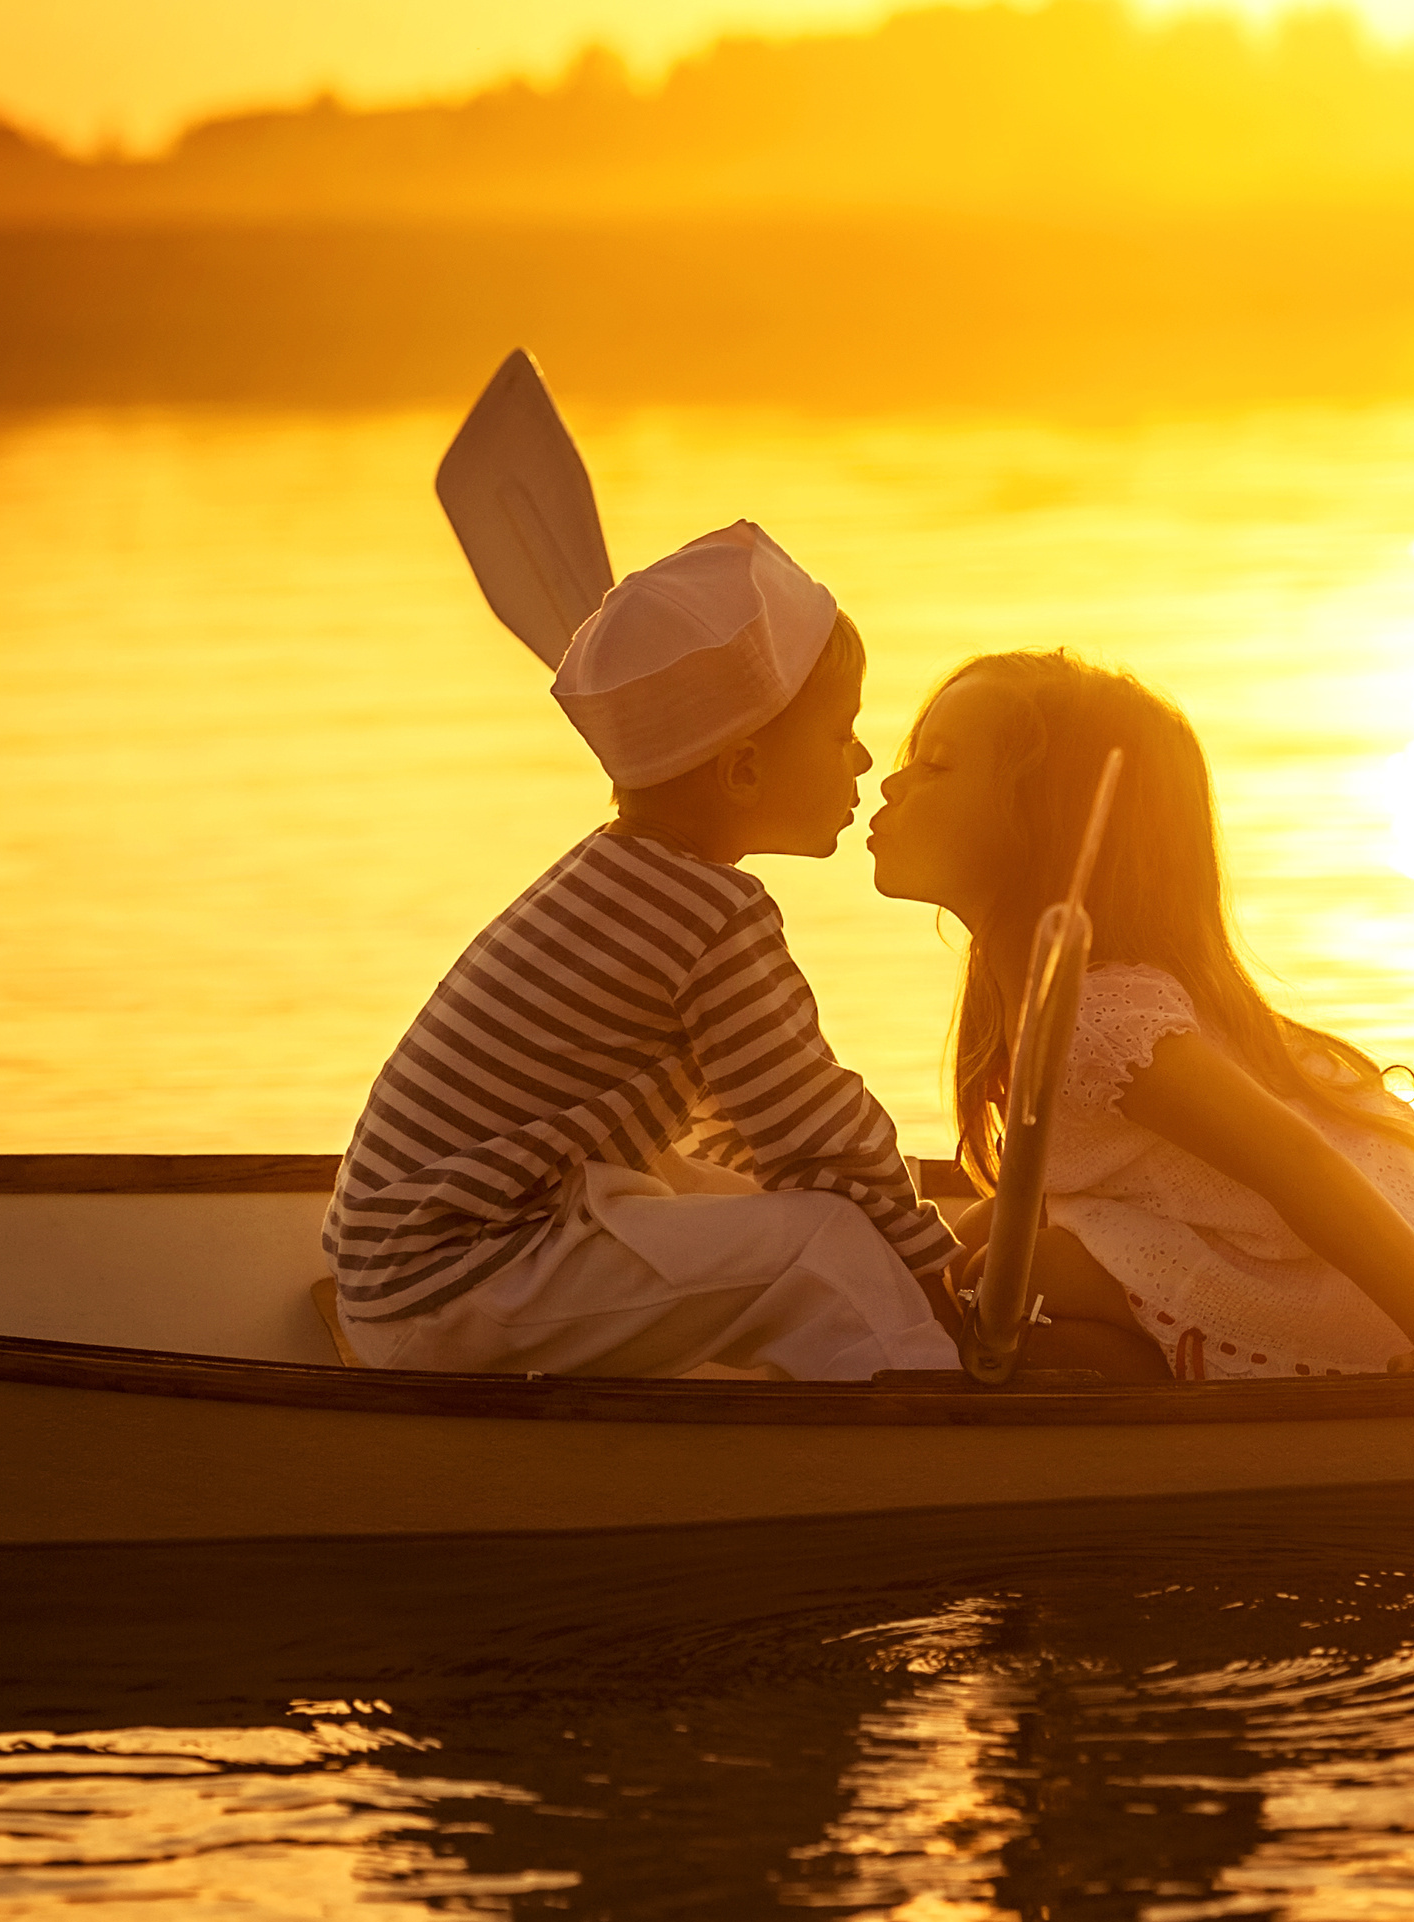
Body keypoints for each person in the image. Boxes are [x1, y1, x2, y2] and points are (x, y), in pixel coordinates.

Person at [866, 648, 1414, 1413]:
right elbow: (1055, 1185)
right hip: (1276, 1253)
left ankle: (1131, 1415)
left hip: (1352, 1293)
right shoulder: (1047, 990)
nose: (890, 783)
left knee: (1009, 1279)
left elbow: (1294, 1162)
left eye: (937, 768)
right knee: (977, 1266)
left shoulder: (1100, 1021)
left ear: (1046, 825)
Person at [325, 522, 963, 1380]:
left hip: (413, 1273)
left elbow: (745, 1123)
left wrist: (821, 1201)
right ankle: (943, 1392)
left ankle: (812, 1382)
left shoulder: (617, 877)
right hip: (460, 1283)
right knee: (827, 1237)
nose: (859, 758)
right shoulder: (709, 914)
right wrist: (935, 1265)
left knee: (744, 1194)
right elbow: (817, 1128)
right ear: (740, 771)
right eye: (838, 732)